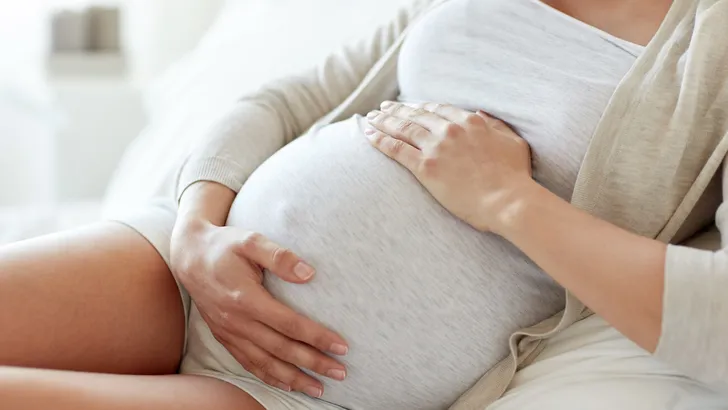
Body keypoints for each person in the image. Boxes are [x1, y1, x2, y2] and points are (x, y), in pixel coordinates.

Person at [1, 0, 727, 409]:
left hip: (296, 387)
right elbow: (283, 100)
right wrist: (197, 222)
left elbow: (719, 321)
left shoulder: (712, 48)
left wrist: (506, 200)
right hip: (178, 266)